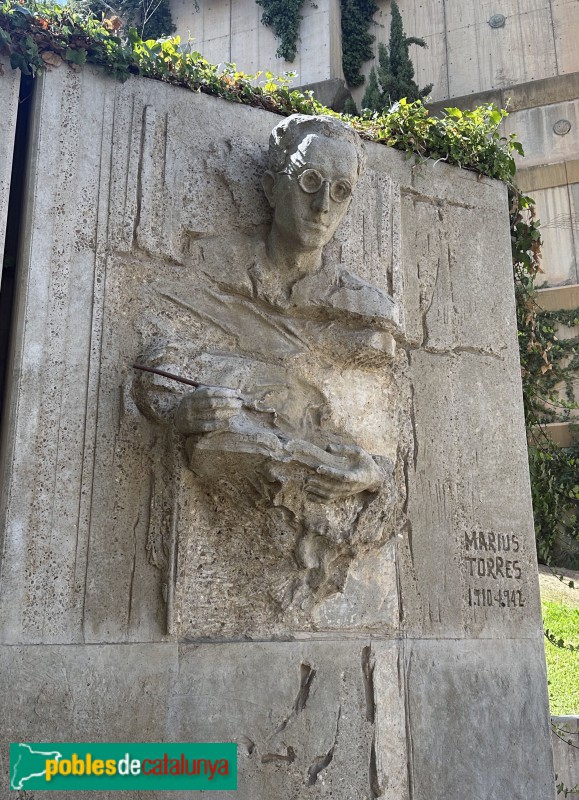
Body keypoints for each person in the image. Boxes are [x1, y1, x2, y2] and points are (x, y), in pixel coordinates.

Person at [133, 114, 401, 617]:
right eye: (309, 181)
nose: (323, 206)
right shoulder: (211, 266)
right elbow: (155, 361)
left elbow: (388, 432)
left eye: (341, 191)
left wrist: (370, 473)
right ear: (271, 186)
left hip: (311, 522)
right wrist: (178, 410)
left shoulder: (368, 310)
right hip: (216, 522)